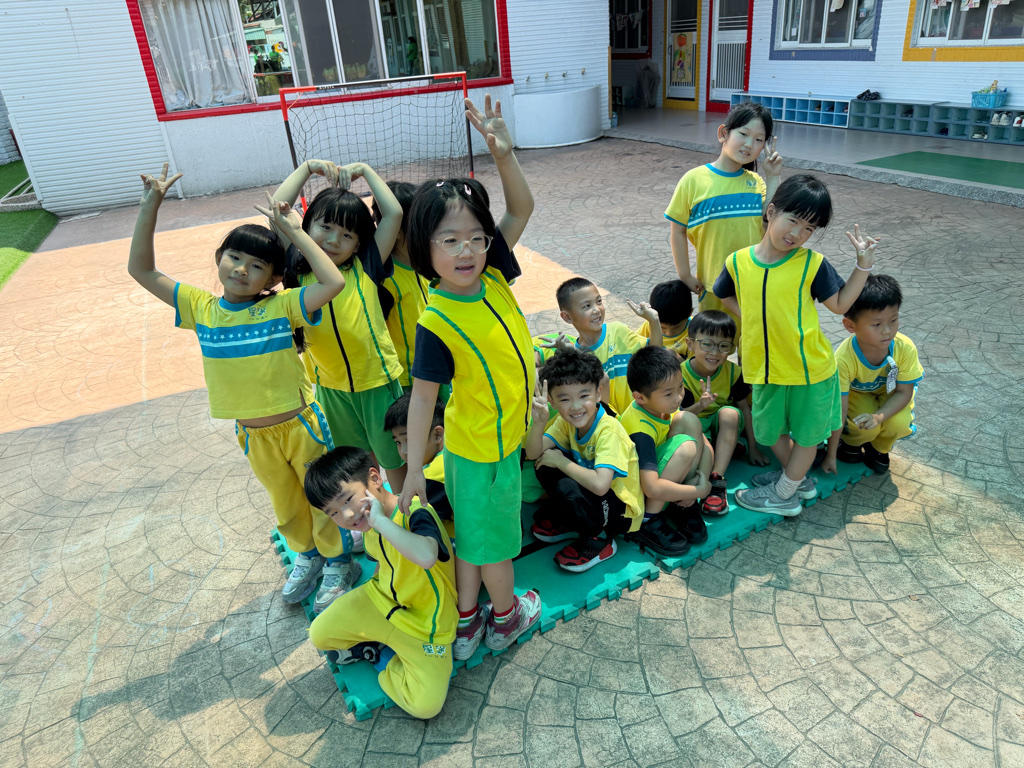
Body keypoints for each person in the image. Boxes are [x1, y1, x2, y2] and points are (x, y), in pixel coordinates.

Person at [127, 164, 355, 611]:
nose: (242, 270)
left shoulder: (282, 305)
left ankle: (337, 561)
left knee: (321, 495)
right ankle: (307, 556)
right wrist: (150, 205)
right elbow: (141, 269)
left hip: (301, 426)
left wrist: (294, 231)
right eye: (234, 257)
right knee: (286, 503)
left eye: (257, 266)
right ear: (219, 258)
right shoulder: (200, 307)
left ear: (273, 279)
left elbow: (333, 281)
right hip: (253, 435)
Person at [399, 95, 541, 661]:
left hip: (488, 441)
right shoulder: (437, 320)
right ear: (424, 247)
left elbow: (522, 209)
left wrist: (503, 155)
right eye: (449, 239)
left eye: (476, 237)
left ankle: (466, 621)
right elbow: (422, 400)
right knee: (495, 545)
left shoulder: (493, 276)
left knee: (474, 537)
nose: (467, 250)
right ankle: (505, 619)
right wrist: (414, 468)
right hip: (484, 450)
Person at [713, 174, 880, 516]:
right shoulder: (737, 262)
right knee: (768, 431)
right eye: (794, 220)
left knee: (805, 437)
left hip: (809, 370)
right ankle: (797, 480)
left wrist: (863, 266)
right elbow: (723, 292)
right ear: (771, 212)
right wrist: (752, 315)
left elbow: (840, 304)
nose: (798, 234)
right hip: (763, 369)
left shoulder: (811, 264)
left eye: (809, 228)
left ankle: (784, 494)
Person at [273, 160, 409, 497]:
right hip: (331, 389)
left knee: (394, 459)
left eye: (347, 235)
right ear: (306, 226)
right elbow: (278, 209)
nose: (334, 240)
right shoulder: (297, 267)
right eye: (326, 227)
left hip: (377, 382)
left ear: (358, 244)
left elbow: (393, 214)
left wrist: (366, 171)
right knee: (359, 462)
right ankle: (373, 512)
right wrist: (307, 169)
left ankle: (407, 511)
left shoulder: (366, 265)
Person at [304, 447, 456, 720]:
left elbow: (426, 556)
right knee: (319, 634)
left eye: (347, 499)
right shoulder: (367, 527)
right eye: (333, 513)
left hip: (426, 624)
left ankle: (381, 656)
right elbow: (381, 562)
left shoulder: (415, 510)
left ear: (375, 478)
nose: (346, 516)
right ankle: (379, 642)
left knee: (425, 706)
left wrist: (381, 522)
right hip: (382, 600)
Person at [665, 102, 783, 336]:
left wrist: (772, 177)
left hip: (751, 284)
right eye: (743, 134)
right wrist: (685, 274)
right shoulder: (693, 180)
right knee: (713, 346)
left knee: (749, 345)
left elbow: (771, 223)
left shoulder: (756, 183)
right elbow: (677, 230)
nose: (749, 144)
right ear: (723, 134)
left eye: (759, 139)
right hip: (713, 286)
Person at [524, 349, 644, 572]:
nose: (576, 406)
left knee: (561, 474)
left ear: (598, 394)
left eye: (583, 396)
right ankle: (574, 522)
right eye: (565, 399)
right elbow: (533, 452)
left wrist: (561, 462)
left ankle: (600, 540)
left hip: (621, 512)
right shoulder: (565, 422)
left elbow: (600, 485)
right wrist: (539, 423)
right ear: (552, 401)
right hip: (597, 495)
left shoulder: (609, 430)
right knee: (544, 464)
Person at [823, 274, 922, 475]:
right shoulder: (843, 360)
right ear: (850, 325)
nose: (887, 331)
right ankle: (850, 443)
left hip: (890, 394)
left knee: (898, 422)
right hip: (857, 397)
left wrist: (878, 417)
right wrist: (830, 455)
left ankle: (879, 449)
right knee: (860, 425)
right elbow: (839, 409)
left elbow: (904, 392)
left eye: (893, 320)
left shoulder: (905, 348)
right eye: (876, 324)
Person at [620, 346, 712, 556]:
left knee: (689, 420)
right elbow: (651, 488)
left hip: (662, 480)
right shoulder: (640, 430)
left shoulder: (663, 406)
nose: (678, 397)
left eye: (680, 387)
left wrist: (700, 480)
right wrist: (699, 491)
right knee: (686, 446)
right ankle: (647, 521)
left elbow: (705, 445)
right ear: (640, 398)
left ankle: (681, 504)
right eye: (669, 393)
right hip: (640, 493)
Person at [680, 311, 768, 515]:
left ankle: (717, 481)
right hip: (696, 426)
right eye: (707, 344)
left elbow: (744, 408)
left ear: (732, 348)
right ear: (690, 344)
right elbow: (680, 415)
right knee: (689, 428)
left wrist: (753, 447)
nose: (715, 352)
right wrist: (701, 405)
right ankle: (724, 450)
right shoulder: (680, 375)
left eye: (723, 346)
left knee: (730, 413)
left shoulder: (734, 373)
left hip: (722, 423)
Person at [554, 276, 663, 417]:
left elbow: (655, 357)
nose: (596, 310)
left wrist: (654, 320)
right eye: (587, 306)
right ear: (567, 317)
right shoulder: (575, 355)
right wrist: (571, 355)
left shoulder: (619, 331)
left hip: (641, 418)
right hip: (609, 425)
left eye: (599, 301)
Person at [373, 181, 427, 394]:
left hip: (434, 369)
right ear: (393, 228)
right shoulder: (387, 281)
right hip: (408, 381)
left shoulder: (427, 265)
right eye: (418, 222)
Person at [384, 392, 452, 533]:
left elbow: (410, 520)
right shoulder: (454, 452)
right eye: (398, 442)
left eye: (409, 440)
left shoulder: (433, 477)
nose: (403, 451)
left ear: (437, 434)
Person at [636, 279, 694, 359]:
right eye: (662, 327)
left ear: (690, 313)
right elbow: (635, 345)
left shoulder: (695, 331)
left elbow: (697, 365)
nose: (669, 333)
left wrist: (677, 359)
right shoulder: (651, 323)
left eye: (676, 328)